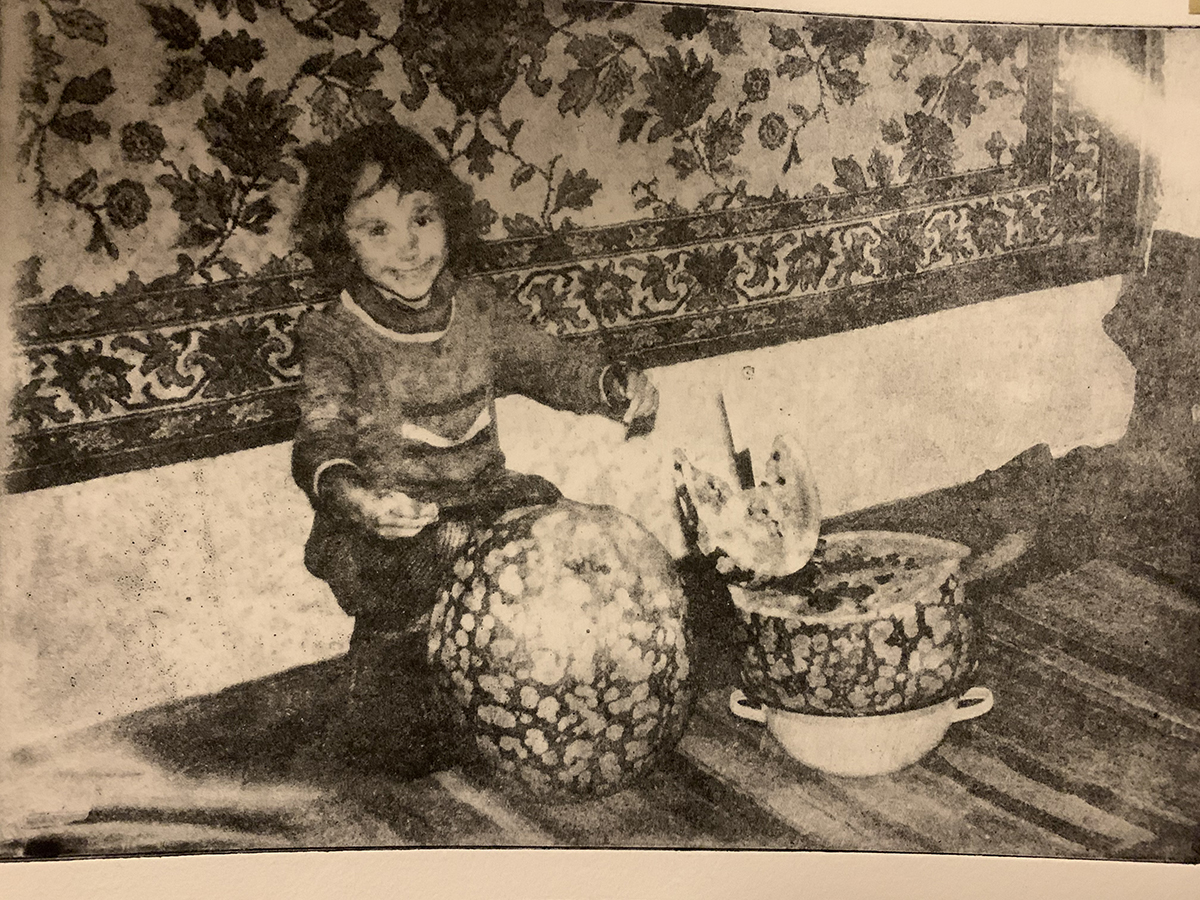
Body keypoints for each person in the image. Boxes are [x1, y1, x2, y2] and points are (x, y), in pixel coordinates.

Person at [291, 121, 659, 778]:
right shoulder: (335, 336)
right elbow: (320, 439)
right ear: (339, 242)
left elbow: (548, 364)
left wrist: (611, 384)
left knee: (557, 547)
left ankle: (515, 696)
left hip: (483, 498)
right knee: (403, 680)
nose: (409, 248)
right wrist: (357, 498)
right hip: (390, 525)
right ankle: (389, 717)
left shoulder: (478, 311)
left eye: (422, 219)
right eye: (377, 230)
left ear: (448, 220)